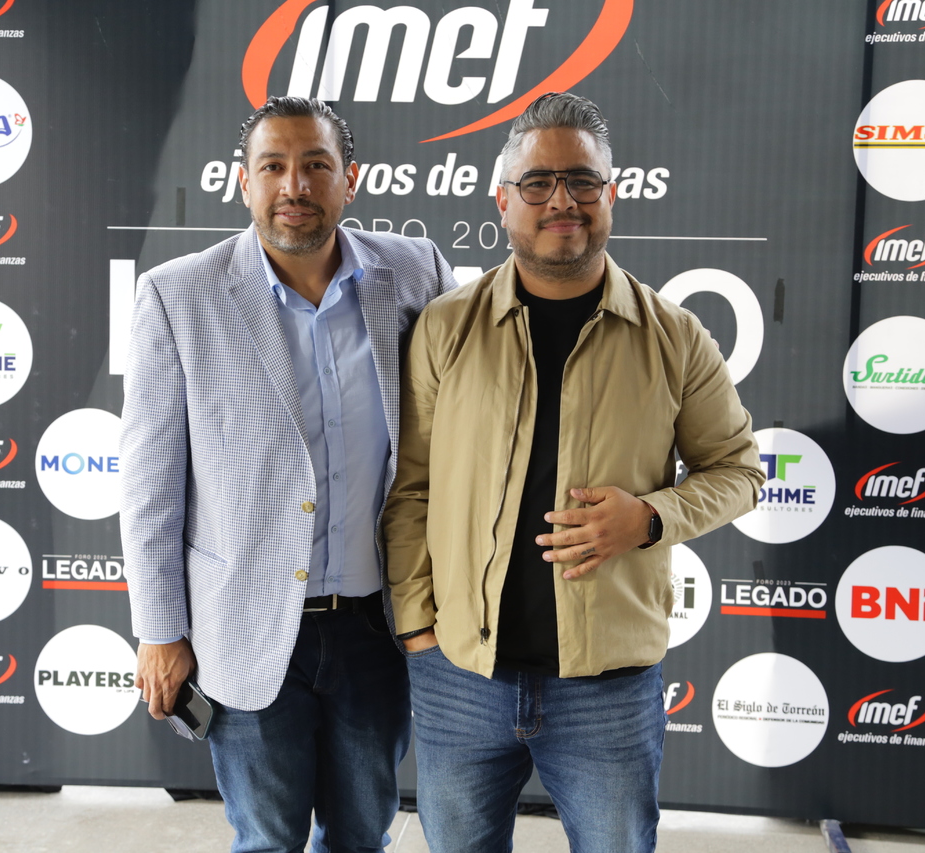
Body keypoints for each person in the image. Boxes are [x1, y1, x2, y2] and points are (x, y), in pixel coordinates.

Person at [384, 92, 765, 853]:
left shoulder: (674, 336)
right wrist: (419, 628)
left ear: (609, 194)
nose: (563, 200)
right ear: (503, 201)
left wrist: (649, 517)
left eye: (582, 181)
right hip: (461, 676)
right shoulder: (447, 327)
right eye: (538, 182)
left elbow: (739, 471)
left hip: (608, 688)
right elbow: (410, 489)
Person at [120, 96, 456, 853]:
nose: (293, 186)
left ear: (350, 180)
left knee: (362, 836)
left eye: (315, 165)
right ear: (244, 182)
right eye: (272, 166)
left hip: (377, 626)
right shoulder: (178, 295)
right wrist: (160, 631)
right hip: (244, 624)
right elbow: (150, 483)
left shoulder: (417, 272)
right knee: (267, 840)